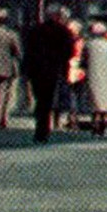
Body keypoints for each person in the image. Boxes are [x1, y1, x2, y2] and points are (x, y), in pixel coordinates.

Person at [23, 8, 75, 143]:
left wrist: (27, 68)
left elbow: (28, 50)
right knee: (47, 99)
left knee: (40, 98)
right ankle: (43, 129)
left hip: (36, 70)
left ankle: (40, 125)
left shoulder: (35, 30)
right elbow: (70, 51)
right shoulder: (63, 31)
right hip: (53, 70)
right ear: (57, 16)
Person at [80, 21, 107, 137]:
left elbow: (83, 60)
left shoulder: (88, 44)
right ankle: (105, 124)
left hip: (92, 75)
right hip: (106, 74)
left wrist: (85, 67)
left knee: (94, 100)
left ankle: (95, 124)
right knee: (106, 100)